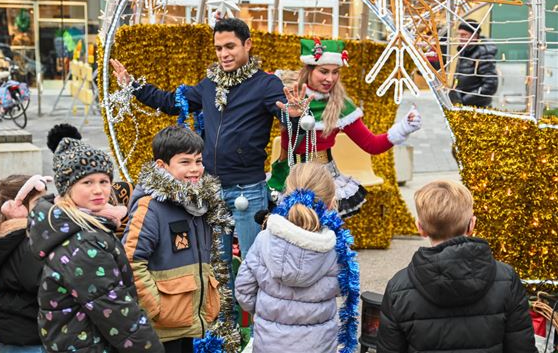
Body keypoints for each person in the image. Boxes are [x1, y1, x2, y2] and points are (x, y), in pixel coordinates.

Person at [110, 18, 305, 264]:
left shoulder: (266, 84)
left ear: (248, 45)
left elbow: (288, 121)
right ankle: (223, 305)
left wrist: (295, 116)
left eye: (230, 46)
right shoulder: (210, 84)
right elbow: (172, 103)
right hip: (211, 189)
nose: (224, 54)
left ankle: (249, 305)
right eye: (218, 48)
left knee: (253, 263)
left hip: (249, 191)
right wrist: (134, 86)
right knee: (217, 265)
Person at [27, 129, 164, 353]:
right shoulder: (83, 243)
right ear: (67, 188)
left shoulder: (76, 226)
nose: (99, 190)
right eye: (87, 182)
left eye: (104, 180)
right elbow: (116, 312)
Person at [377, 180, 537, 353]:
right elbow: (522, 347)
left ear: (420, 228)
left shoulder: (398, 287)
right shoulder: (507, 279)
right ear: (471, 225)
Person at [268, 38, 422, 217]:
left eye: (335, 72)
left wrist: (404, 127)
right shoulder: (287, 90)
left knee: (321, 233)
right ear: (309, 69)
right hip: (286, 176)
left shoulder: (341, 106)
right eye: (323, 71)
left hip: (322, 179)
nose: (330, 79)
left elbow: (372, 145)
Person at [122, 125, 237, 353]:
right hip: (163, 325)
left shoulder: (200, 203)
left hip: (191, 321)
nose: (195, 169)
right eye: (185, 162)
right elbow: (130, 260)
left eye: (198, 161)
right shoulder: (151, 207)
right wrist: (156, 307)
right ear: (161, 166)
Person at [236, 162, 348, 353]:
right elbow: (342, 288)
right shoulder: (336, 248)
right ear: (330, 203)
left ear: (285, 197)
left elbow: (243, 289)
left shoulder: (265, 239)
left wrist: (265, 312)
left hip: (269, 343)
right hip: (318, 344)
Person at [0, 174, 51, 353]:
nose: (46, 207)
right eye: (39, 202)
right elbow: (37, 280)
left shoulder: (3, 236)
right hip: (28, 331)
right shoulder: (25, 239)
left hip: (11, 326)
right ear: (18, 205)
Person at [449, 19, 498, 107]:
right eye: (459, 34)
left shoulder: (483, 53)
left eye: (464, 35)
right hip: (464, 106)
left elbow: (490, 85)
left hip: (477, 108)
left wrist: (465, 99)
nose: (460, 38)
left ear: (475, 36)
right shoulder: (465, 51)